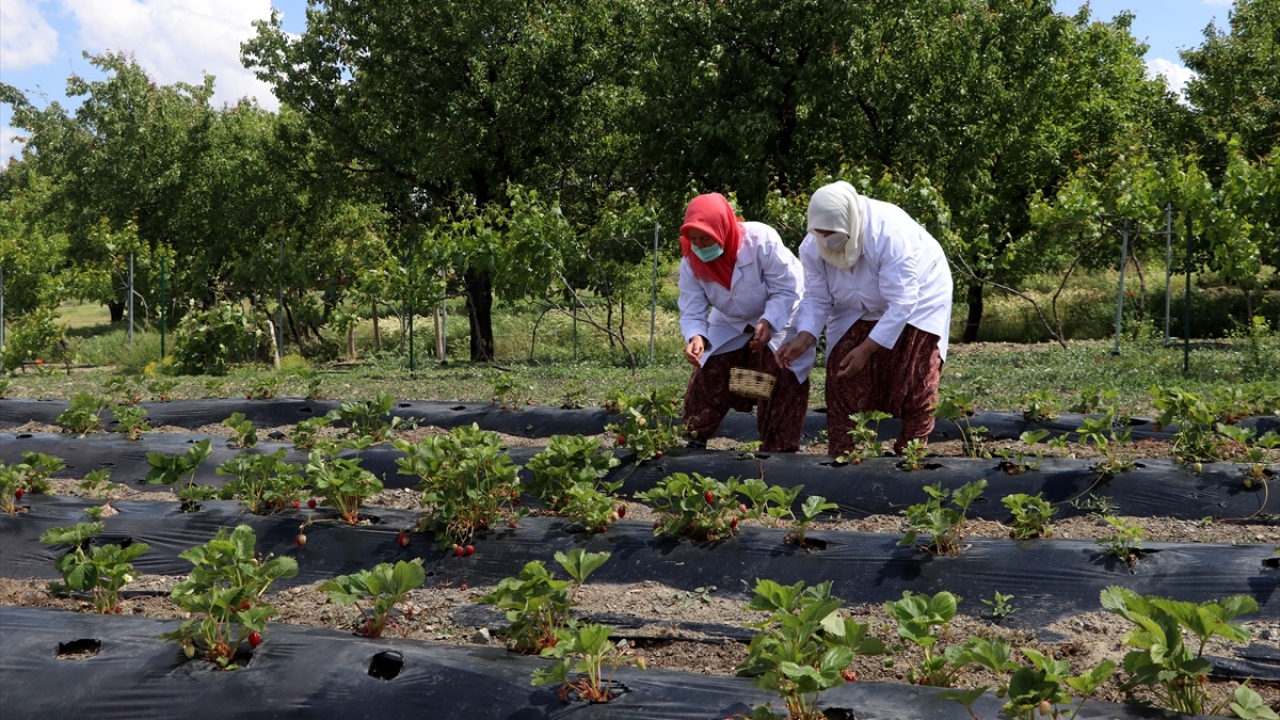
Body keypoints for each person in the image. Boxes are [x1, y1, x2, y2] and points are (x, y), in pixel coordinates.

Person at [775, 181, 953, 456]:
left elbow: (903, 300)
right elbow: (816, 298)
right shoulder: (812, 247)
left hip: (919, 297)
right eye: (819, 233)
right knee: (841, 374)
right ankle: (845, 457)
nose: (826, 240)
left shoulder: (888, 234)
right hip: (852, 306)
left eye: (832, 233)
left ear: (850, 222)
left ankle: (911, 458)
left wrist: (867, 348)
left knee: (915, 376)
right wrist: (805, 336)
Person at [678, 192, 814, 452]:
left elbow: (787, 288)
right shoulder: (690, 261)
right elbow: (692, 308)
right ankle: (696, 438)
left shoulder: (760, 240)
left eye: (706, 238)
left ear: (722, 229)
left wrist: (768, 321)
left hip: (782, 311)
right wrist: (695, 336)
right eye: (693, 239)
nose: (700, 246)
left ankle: (778, 448)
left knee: (782, 369)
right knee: (710, 368)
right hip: (730, 319)